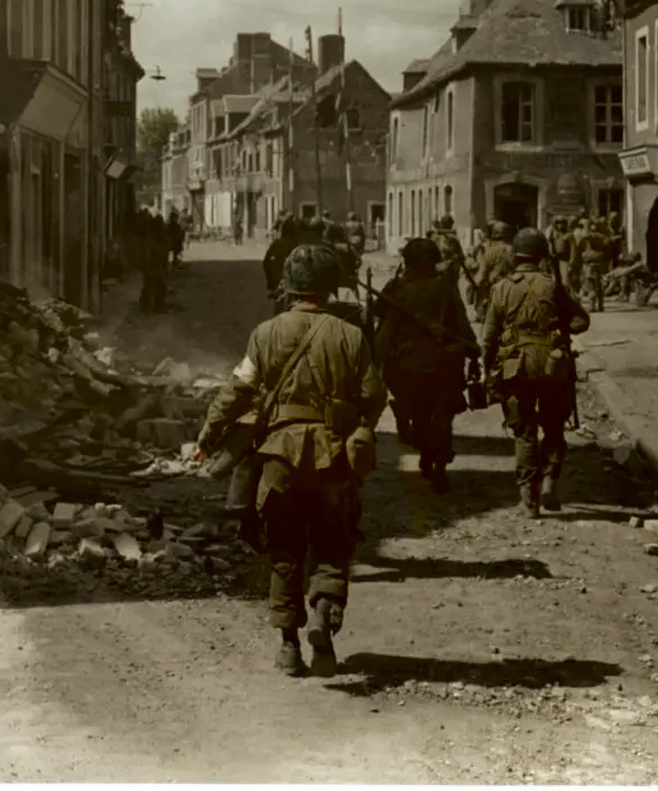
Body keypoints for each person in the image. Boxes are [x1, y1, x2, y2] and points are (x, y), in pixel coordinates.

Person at [194, 243, 385, 677]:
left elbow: (237, 391)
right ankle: (323, 616)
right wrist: (356, 424)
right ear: (331, 287)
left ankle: (287, 647)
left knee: (284, 550)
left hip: (279, 457)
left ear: (289, 286)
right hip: (332, 455)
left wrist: (209, 436)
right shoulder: (352, 336)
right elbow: (374, 396)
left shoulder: (265, 333)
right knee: (333, 543)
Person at [483, 227, 590, 518]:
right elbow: (582, 320)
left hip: (516, 364)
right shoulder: (554, 285)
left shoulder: (502, 288)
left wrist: (487, 371)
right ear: (542, 255)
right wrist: (560, 329)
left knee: (524, 431)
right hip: (553, 363)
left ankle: (528, 498)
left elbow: (489, 336)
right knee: (554, 427)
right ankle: (550, 484)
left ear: (516, 256)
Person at [373, 238, 479, 490]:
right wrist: (472, 348)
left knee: (419, 413)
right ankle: (438, 464)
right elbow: (461, 321)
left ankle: (425, 450)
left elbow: (380, 316)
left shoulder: (397, 287)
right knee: (442, 416)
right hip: (444, 362)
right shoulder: (445, 287)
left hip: (409, 364)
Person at [470, 221, 516, 317]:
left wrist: (474, 289)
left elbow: (481, 275)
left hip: (495, 292)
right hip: (513, 291)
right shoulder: (515, 250)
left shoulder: (489, 252)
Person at [263, 216, 301, 315]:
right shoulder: (299, 244)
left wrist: (270, 281)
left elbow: (266, 261)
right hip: (295, 279)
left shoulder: (277, 243)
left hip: (278, 279)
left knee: (278, 306)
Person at [137, 210, 170, 313]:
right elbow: (148, 254)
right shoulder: (150, 238)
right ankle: (150, 306)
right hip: (151, 265)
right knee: (152, 286)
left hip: (155, 265)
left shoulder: (158, 238)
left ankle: (155, 305)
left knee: (156, 285)